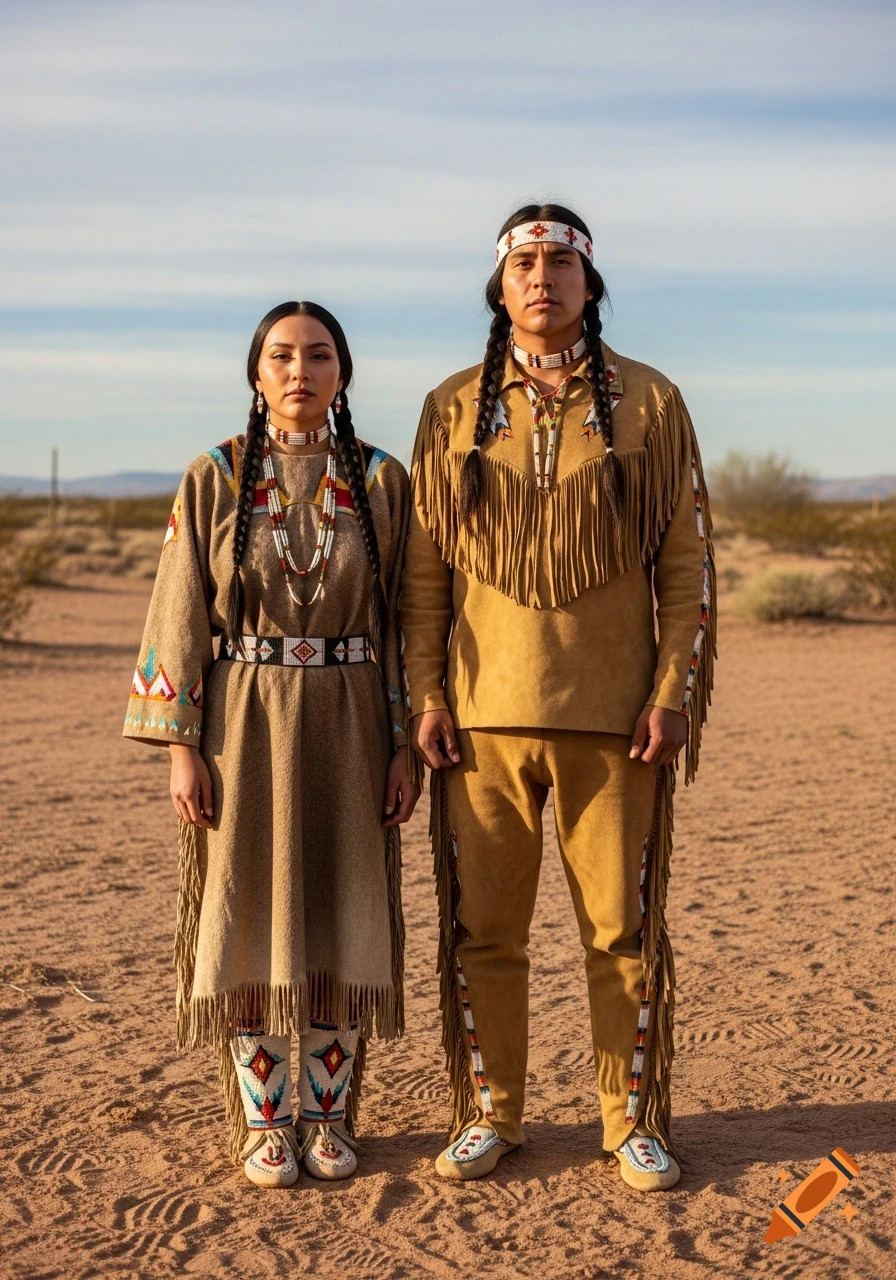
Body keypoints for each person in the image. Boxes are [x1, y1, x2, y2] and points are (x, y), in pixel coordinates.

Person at [401, 204, 715, 1191]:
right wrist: (424, 694)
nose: (541, 276)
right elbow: (422, 578)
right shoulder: (452, 409)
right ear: (499, 287)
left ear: (589, 282)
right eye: (522, 261)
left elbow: (684, 567)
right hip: (481, 721)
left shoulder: (649, 404)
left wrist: (671, 688)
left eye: (559, 262)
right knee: (481, 932)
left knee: (622, 930)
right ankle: (489, 1113)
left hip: (617, 721)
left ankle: (631, 1119)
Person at [124, 301, 420, 1187]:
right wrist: (182, 747)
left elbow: (408, 617)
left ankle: (329, 1116)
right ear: (258, 373)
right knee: (247, 906)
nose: (300, 372)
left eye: (319, 356)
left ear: (343, 374)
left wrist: (405, 739)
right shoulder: (214, 476)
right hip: (243, 725)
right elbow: (179, 609)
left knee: (342, 905)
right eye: (282, 356)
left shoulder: (380, 480)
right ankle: (264, 1120)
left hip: (353, 717)